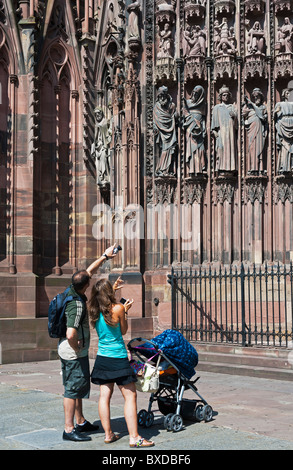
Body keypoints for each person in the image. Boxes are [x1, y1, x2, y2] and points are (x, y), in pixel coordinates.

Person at [59, 244, 118, 442]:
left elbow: (87, 273)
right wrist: (77, 348)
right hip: (72, 351)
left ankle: (80, 421)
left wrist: (104, 256)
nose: (90, 282)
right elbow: (70, 334)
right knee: (72, 389)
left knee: (76, 386)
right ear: (85, 286)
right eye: (89, 283)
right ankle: (68, 429)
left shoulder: (71, 288)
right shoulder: (76, 303)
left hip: (71, 350)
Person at [88, 279, 155, 448]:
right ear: (109, 293)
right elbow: (123, 331)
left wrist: (112, 289)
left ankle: (108, 434)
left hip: (102, 357)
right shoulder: (117, 308)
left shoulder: (94, 310)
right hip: (118, 358)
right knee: (130, 396)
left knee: (104, 396)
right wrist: (125, 312)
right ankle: (134, 438)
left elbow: (104, 302)